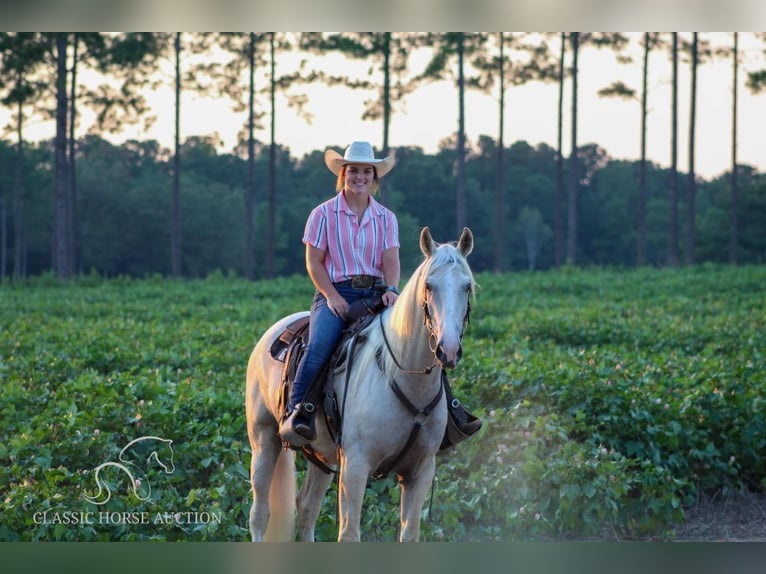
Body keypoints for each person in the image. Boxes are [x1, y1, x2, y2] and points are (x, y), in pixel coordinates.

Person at [279, 141, 401, 447]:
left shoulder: (386, 218)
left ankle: (441, 413)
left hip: (375, 292)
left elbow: (391, 261)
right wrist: (332, 296)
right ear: (343, 174)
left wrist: (391, 289)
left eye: (366, 171)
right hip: (335, 292)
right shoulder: (322, 214)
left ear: (374, 177)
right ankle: (298, 412)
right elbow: (314, 263)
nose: (360, 177)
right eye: (354, 171)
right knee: (320, 346)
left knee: (413, 341)